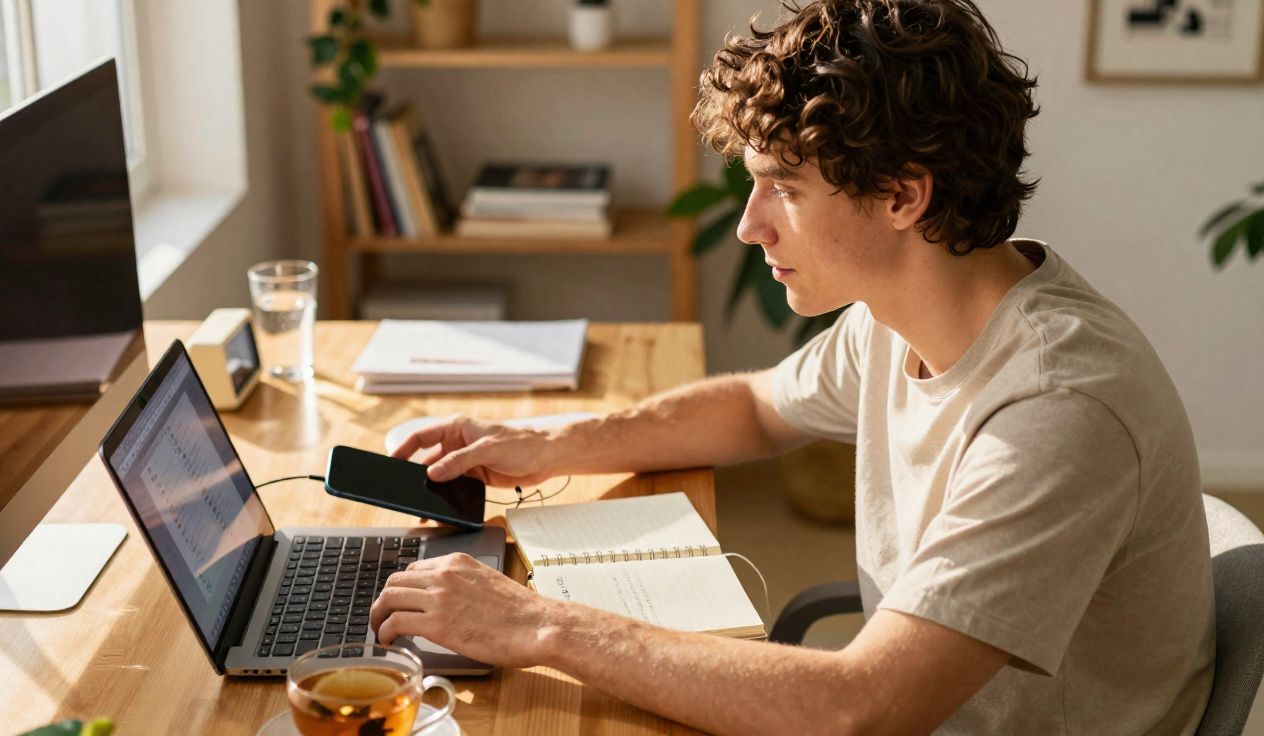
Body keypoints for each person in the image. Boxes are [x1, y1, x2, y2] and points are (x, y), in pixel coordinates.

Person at [369, 1, 1215, 732]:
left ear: (901, 195)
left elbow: (860, 709)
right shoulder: (905, 311)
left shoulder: (1059, 406)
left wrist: (539, 627)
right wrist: (542, 442)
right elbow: (757, 407)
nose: (748, 225)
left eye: (783, 188)